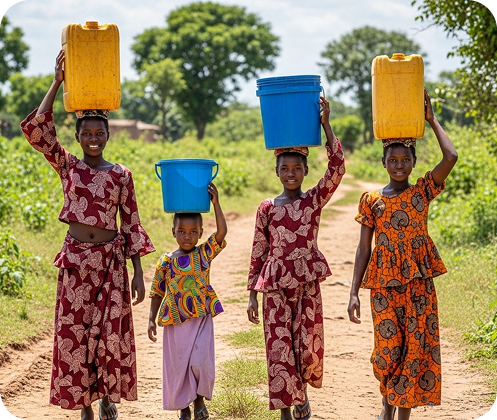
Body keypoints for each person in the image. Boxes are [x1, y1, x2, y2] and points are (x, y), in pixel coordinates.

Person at [20, 50, 156, 420]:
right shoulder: (69, 166)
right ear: (77, 136)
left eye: (99, 133)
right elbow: (36, 130)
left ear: (109, 135)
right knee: (74, 336)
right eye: (87, 133)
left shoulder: (120, 174)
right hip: (76, 261)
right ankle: (84, 403)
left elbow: (130, 222)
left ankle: (107, 395)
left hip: (111, 263)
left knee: (109, 335)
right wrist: (57, 82)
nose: (93, 138)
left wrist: (139, 273)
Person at [347, 89, 458, 420]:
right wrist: (353, 291)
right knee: (387, 351)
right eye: (392, 160)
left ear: (414, 162)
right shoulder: (371, 200)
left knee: (415, 352)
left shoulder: (422, 192)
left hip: (419, 287)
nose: (398, 165)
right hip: (383, 286)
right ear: (383, 163)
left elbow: (451, 157)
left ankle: (402, 416)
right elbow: (363, 247)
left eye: (405, 160)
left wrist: (432, 120)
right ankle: (386, 404)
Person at [247, 97, 346, 420]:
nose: (291, 174)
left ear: (305, 170)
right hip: (274, 286)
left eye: (297, 168)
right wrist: (251, 294)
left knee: (307, 346)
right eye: (285, 169)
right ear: (276, 171)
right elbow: (258, 251)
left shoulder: (313, 200)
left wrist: (325, 125)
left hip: (306, 284)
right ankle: (286, 412)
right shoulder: (267, 208)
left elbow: (337, 168)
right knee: (278, 350)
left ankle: (301, 394)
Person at [148, 183, 227, 420]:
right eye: (182, 231)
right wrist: (151, 319)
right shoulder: (166, 261)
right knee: (178, 367)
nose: (187, 236)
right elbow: (157, 291)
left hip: (201, 319)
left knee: (200, 361)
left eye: (193, 232)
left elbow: (221, 234)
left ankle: (199, 400)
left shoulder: (203, 254)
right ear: (173, 232)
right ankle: (184, 407)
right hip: (174, 323)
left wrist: (216, 204)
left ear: (201, 233)